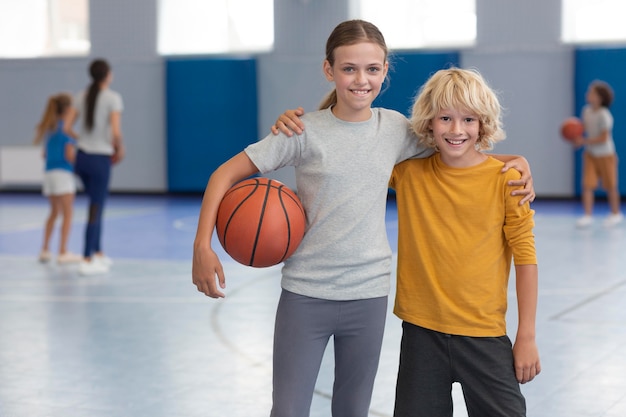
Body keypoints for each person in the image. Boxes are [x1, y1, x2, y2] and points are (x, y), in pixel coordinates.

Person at [193, 20, 534, 417]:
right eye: (349, 68)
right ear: (329, 70)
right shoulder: (302, 132)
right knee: (287, 411)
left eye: (372, 69)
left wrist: (516, 160)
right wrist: (203, 245)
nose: (361, 79)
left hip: (368, 297)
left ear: (385, 70)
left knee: (352, 411)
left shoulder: (394, 129)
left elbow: (457, 144)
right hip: (306, 293)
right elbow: (224, 174)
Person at [389, 68, 540, 417]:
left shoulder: (508, 181)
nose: (456, 130)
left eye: (468, 119)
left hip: (484, 336)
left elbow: (526, 259)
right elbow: (358, 149)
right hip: (421, 335)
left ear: (483, 124)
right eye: (445, 118)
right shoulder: (408, 174)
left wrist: (527, 335)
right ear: (429, 123)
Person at [65, 58, 125, 275]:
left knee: (96, 205)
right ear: (107, 75)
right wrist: (120, 147)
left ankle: (98, 252)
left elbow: (67, 127)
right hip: (100, 159)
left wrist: (82, 139)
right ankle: (87, 258)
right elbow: (116, 132)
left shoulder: (80, 96)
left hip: (82, 158)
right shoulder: (113, 98)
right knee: (96, 207)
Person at [33, 93, 82, 264]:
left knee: (54, 212)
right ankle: (63, 251)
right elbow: (69, 155)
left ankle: (45, 249)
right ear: (68, 110)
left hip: (49, 174)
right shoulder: (66, 130)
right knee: (68, 213)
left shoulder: (49, 129)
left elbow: (45, 153)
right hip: (63, 174)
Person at [571, 80, 622, 228]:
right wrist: (577, 139)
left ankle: (615, 213)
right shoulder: (586, 111)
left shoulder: (604, 115)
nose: (588, 94)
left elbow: (603, 138)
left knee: (610, 185)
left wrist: (584, 141)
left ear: (599, 97)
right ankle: (587, 215)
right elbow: (583, 129)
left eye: (591, 92)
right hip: (590, 154)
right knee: (588, 184)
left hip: (606, 154)